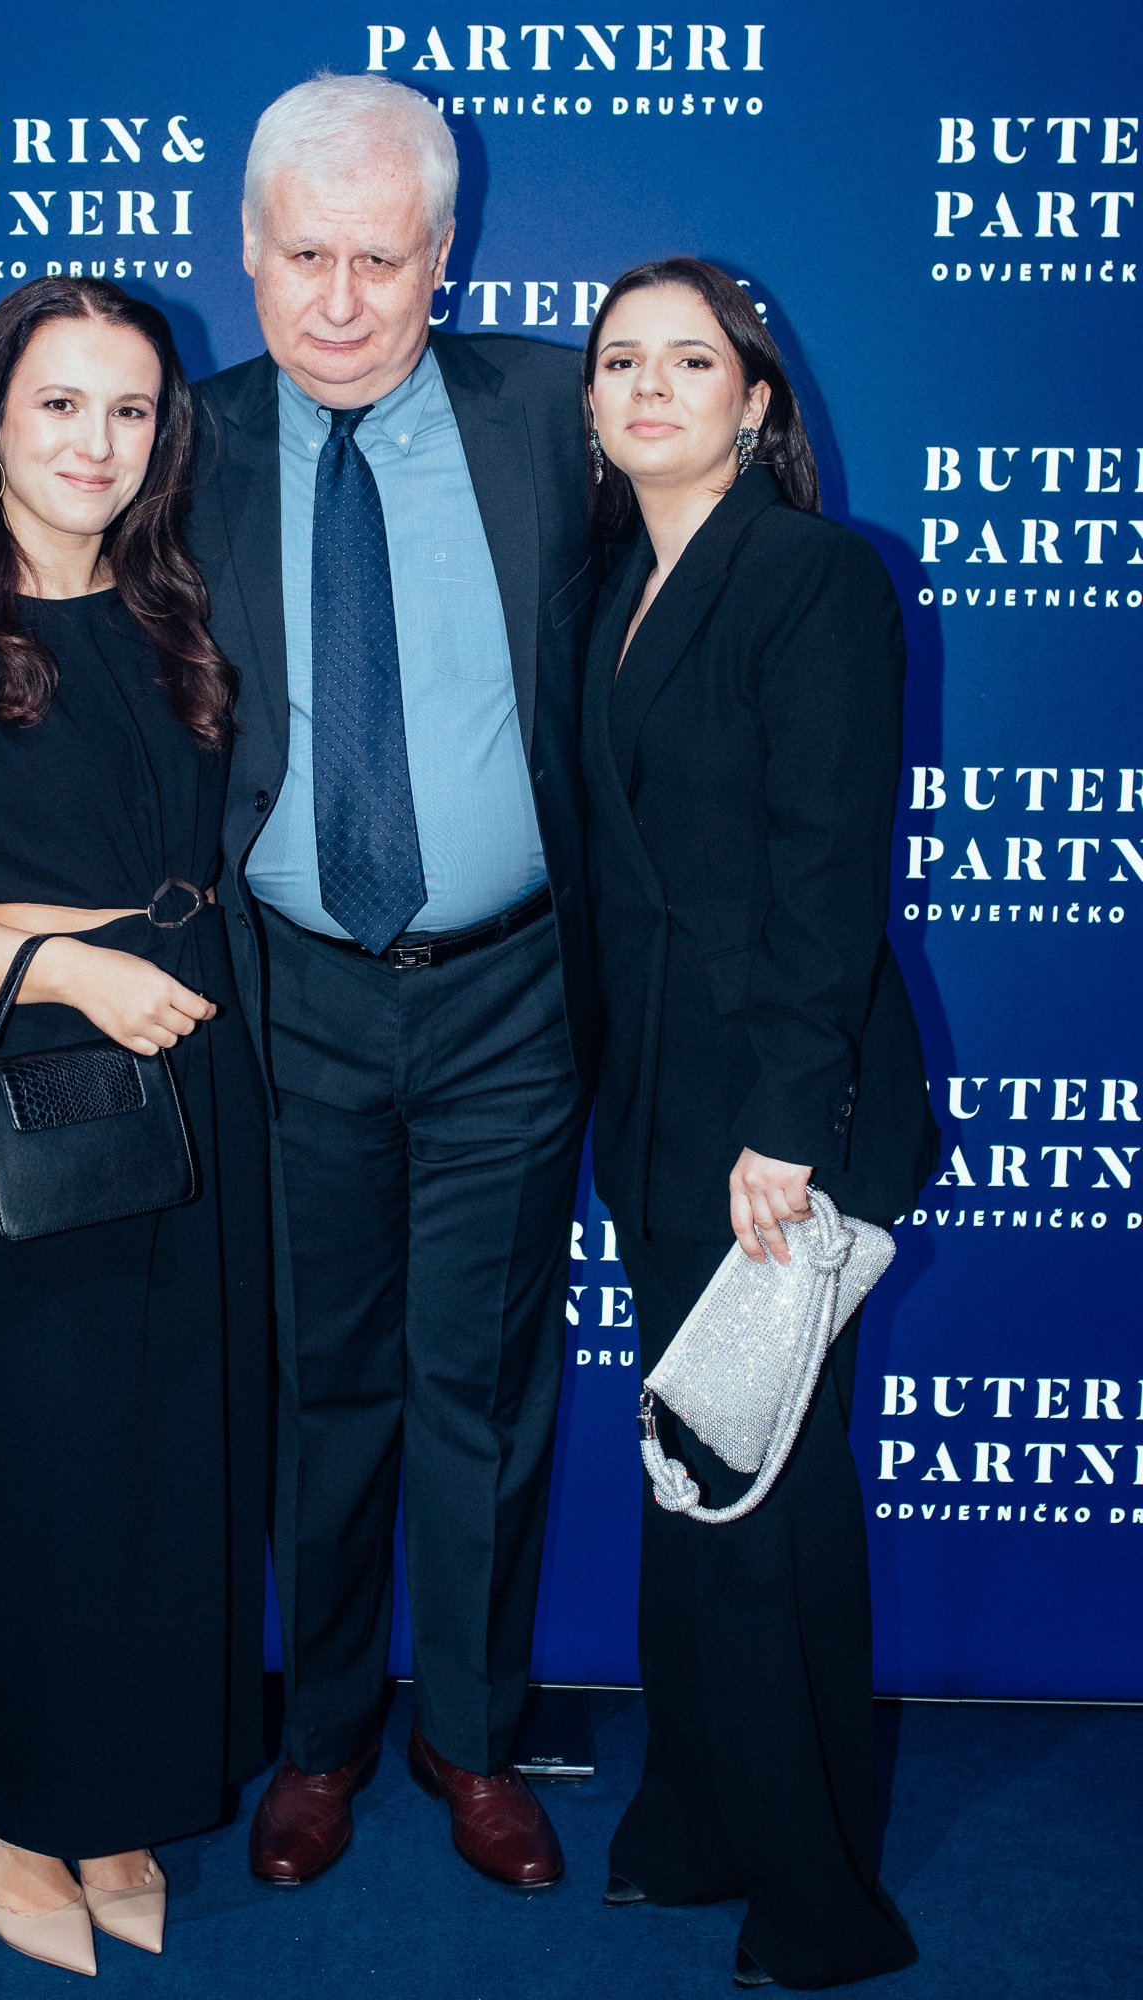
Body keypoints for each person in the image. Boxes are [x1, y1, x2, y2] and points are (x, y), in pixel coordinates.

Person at [0, 276, 269, 1976]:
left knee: (170, 1469)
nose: (97, 441)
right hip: (35, 1086)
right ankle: (15, 1809)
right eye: (61, 404)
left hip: (201, 1071)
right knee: (41, 1476)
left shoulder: (181, 611)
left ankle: (118, 1795)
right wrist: (62, 963)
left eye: (130, 409)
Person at [193, 73, 602, 1891]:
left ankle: (479, 1738)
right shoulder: (179, 444)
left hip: (515, 997)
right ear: (248, 252)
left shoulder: (556, 419)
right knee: (320, 1381)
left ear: (448, 254)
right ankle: (325, 1737)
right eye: (306, 257)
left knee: (485, 1384)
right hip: (289, 997)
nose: (343, 301)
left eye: (383, 257)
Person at [579, 256, 939, 1989]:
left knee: (773, 1497)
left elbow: (828, 874)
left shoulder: (813, 578)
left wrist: (784, 1127)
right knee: (692, 1473)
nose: (650, 386)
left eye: (690, 361)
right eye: (620, 361)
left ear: (757, 402)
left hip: (779, 1122)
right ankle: (700, 1818)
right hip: (656, 1106)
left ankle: (816, 1892)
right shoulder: (608, 589)